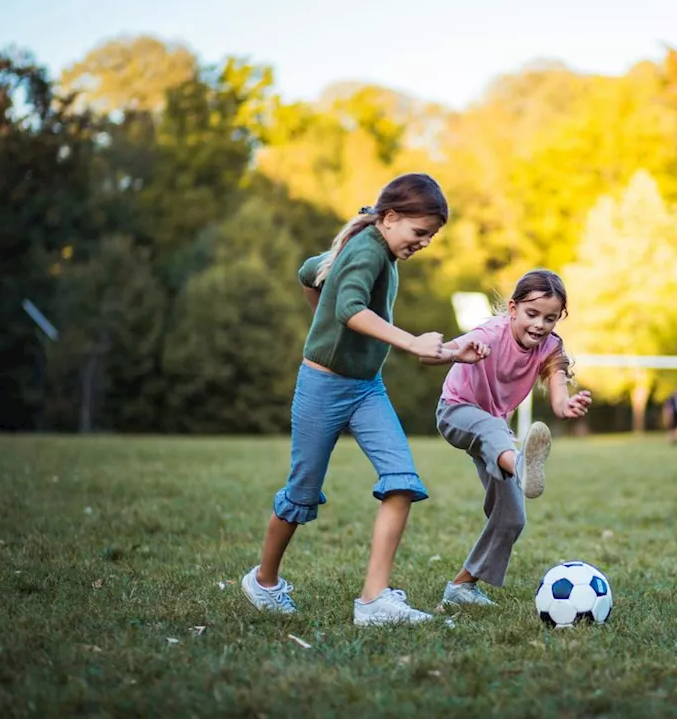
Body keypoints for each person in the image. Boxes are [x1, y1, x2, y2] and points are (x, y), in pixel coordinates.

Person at [241, 173, 487, 626]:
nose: (425, 242)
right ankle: (264, 581)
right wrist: (405, 340)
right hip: (322, 389)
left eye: (431, 236)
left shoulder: (379, 250)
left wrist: (453, 352)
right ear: (390, 217)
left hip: (366, 388)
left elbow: (310, 271)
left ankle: (374, 601)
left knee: (401, 481)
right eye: (420, 232)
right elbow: (350, 308)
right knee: (301, 495)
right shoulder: (365, 250)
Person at [425, 269, 592, 607]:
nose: (540, 325)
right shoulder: (490, 333)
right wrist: (453, 351)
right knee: (493, 429)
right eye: (532, 314)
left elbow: (558, 394)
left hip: (494, 433)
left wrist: (568, 404)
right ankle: (519, 463)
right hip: (457, 412)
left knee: (512, 517)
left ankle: (462, 586)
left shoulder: (550, 347)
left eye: (550, 318)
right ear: (513, 308)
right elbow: (435, 355)